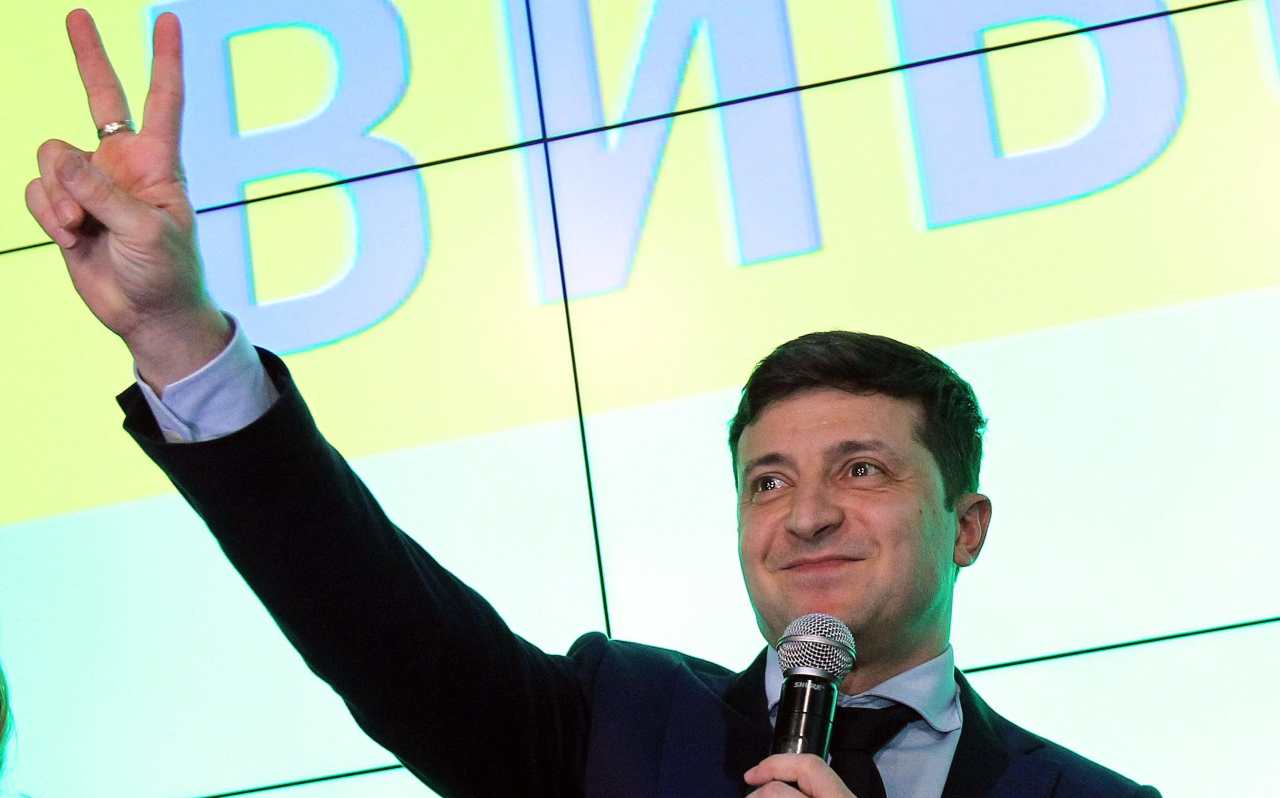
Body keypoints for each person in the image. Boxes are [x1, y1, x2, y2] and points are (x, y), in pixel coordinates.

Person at [26, 9, 1161, 797]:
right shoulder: (617, 723)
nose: (806, 515)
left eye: (860, 469)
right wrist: (175, 332)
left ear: (966, 524)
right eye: (768, 482)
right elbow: (368, 611)